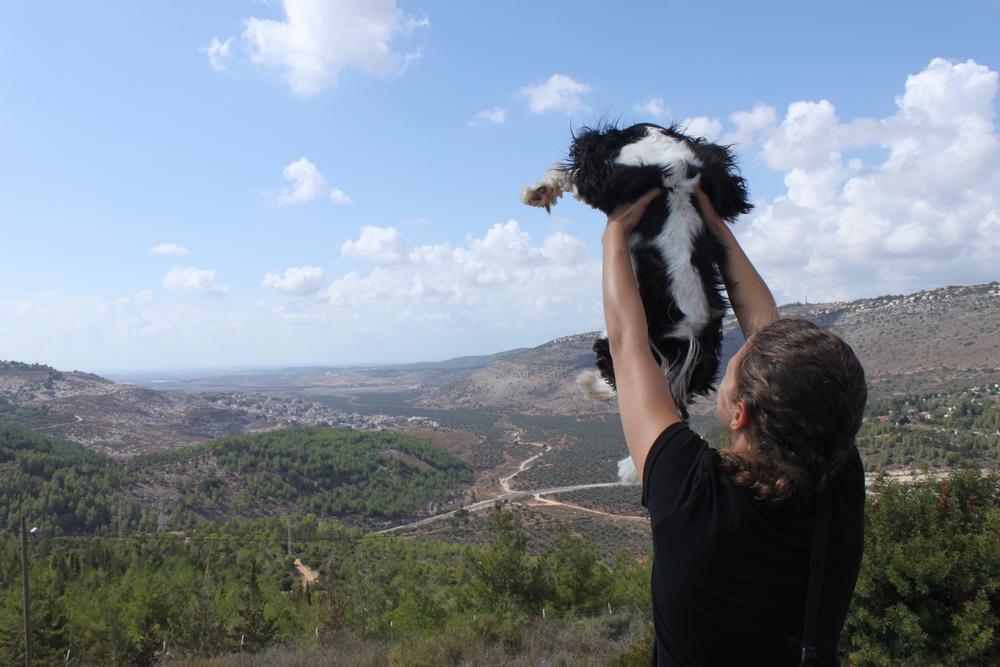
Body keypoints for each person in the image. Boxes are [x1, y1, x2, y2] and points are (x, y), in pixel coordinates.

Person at [602, 187, 867, 666]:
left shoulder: (693, 496)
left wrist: (615, 232)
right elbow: (769, 341)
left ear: (740, 413)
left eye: (731, 367)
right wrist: (716, 231)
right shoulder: (839, 478)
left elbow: (628, 345)